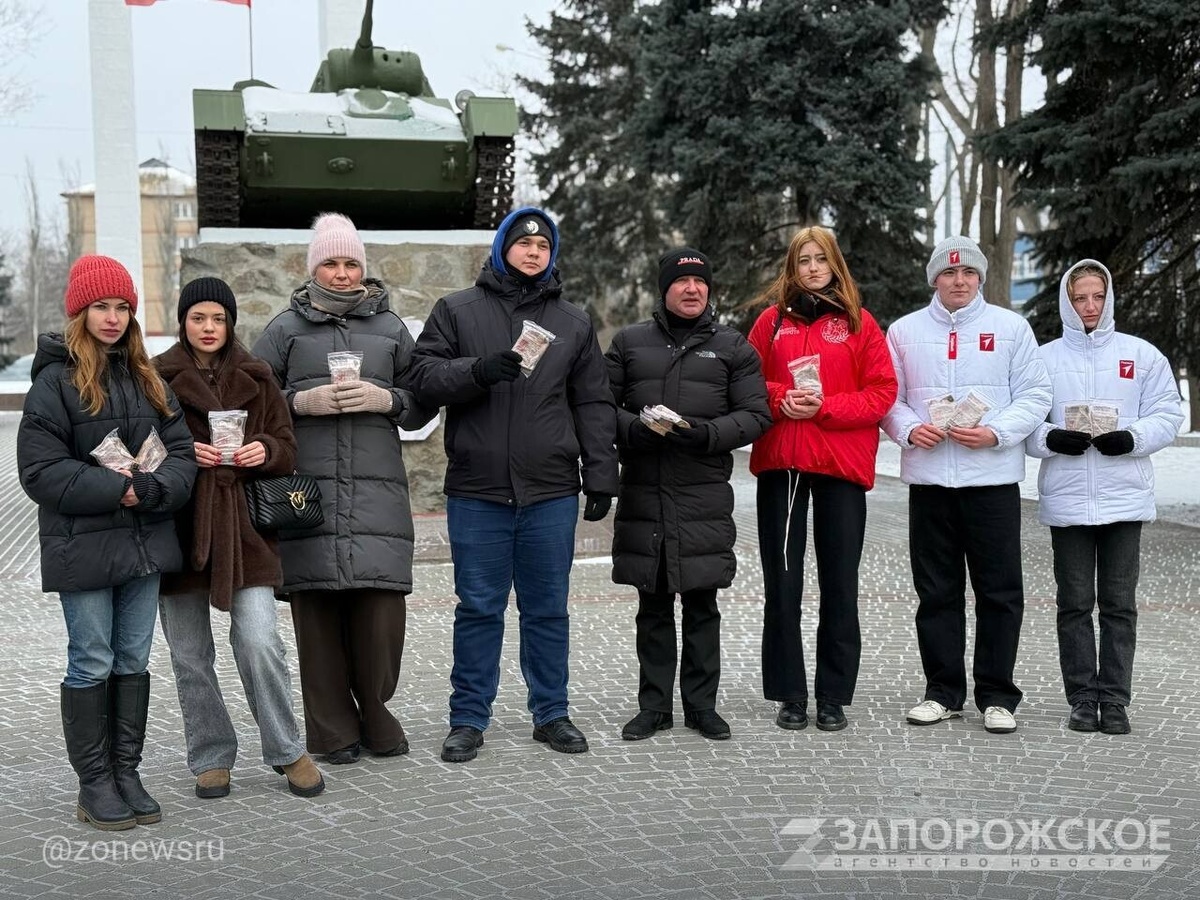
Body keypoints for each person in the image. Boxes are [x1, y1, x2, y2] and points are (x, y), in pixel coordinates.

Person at [409, 206, 618, 763]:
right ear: (503, 248)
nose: (533, 251)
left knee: (548, 607)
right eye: (523, 242)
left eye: (543, 245)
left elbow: (593, 401)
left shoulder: (572, 321)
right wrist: (477, 371)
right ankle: (468, 718)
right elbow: (422, 378)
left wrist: (600, 474)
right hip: (477, 491)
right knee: (478, 607)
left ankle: (551, 713)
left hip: (549, 489)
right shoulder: (456, 310)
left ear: (552, 256)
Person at [18, 255, 196, 830]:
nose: (113, 317)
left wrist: (153, 488)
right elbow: (39, 470)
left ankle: (127, 770)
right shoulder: (54, 382)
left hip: (144, 543)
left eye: (122, 307)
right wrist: (116, 490)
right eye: (102, 306)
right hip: (85, 547)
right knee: (91, 659)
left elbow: (183, 453)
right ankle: (94, 781)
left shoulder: (149, 378)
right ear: (80, 311)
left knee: (132, 658)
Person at [253, 213, 435, 766]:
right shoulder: (285, 329)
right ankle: (332, 734)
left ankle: (378, 719)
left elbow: (421, 398)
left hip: (378, 500)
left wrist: (389, 401)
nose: (339, 272)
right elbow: (248, 400)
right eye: (329, 263)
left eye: (349, 262)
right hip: (308, 497)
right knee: (318, 619)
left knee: (380, 616)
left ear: (363, 267)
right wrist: (296, 404)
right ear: (313, 268)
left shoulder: (392, 329)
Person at [156, 277, 326, 799]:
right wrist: (183, 454)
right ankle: (211, 756)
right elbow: (144, 445)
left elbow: (286, 444)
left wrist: (264, 452)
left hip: (246, 530)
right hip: (181, 529)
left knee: (259, 641)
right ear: (184, 322)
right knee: (189, 656)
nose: (209, 328)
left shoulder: (258, 374)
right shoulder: (156, 377)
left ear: (231, 323)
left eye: (219, 319)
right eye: (198, 318)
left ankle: (286, 748)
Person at [882, 235, 1051, 734]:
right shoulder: (905, 330)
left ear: (980, 278)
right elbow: (890, 396)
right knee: (936, 591)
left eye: (968, 273)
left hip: (992, 480)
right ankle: (942, 691)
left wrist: (998, 432)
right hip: (931, 479)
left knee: (999, 592)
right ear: (934, 278)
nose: (959, 282)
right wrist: (910, 429)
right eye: (949, 273)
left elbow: (1036, 392)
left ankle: (998, 695)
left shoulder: (1010, 327)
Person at [605, 249, 771, 741]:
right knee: (652, 606)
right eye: (682, 283)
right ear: (665, 289)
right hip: (644, 492)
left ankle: (702, 706)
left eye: (700, 282)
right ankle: (653, 707)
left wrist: (706, 434)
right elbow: (598, 407)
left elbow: (756, 414)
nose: (692, 290)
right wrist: (635, 428)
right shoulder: (629, 343)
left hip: (702, 496)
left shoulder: (732, 347)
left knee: (702, 605)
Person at [747, 226, 898, 733]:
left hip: (839, 465)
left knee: (840, 584)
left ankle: (833, 695)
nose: (812, 268)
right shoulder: (770, 324)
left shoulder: (859, 323)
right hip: (784, 463)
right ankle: (790, 693)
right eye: (802, 260)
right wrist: (778, 399)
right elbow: (746, 382)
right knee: (783, 583)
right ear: (791, 268)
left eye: (820, 259)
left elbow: (882, 392)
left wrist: (827, 407)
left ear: (835, 265)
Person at [1026, 260, 1182, 735]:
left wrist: (1133, 437)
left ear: (1109, 297)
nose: (1089, 306)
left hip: (1123, 497)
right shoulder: (1045, 358)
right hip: (1068, 499)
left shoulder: (1141, 354)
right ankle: (1081, 697)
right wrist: (1051, 438)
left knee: (1118, 603)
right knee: (1074, 602)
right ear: (1066, 302)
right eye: (1079, 298)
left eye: (1096, 296)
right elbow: (1025, 418)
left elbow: (1168, 412)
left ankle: (1114, 699)